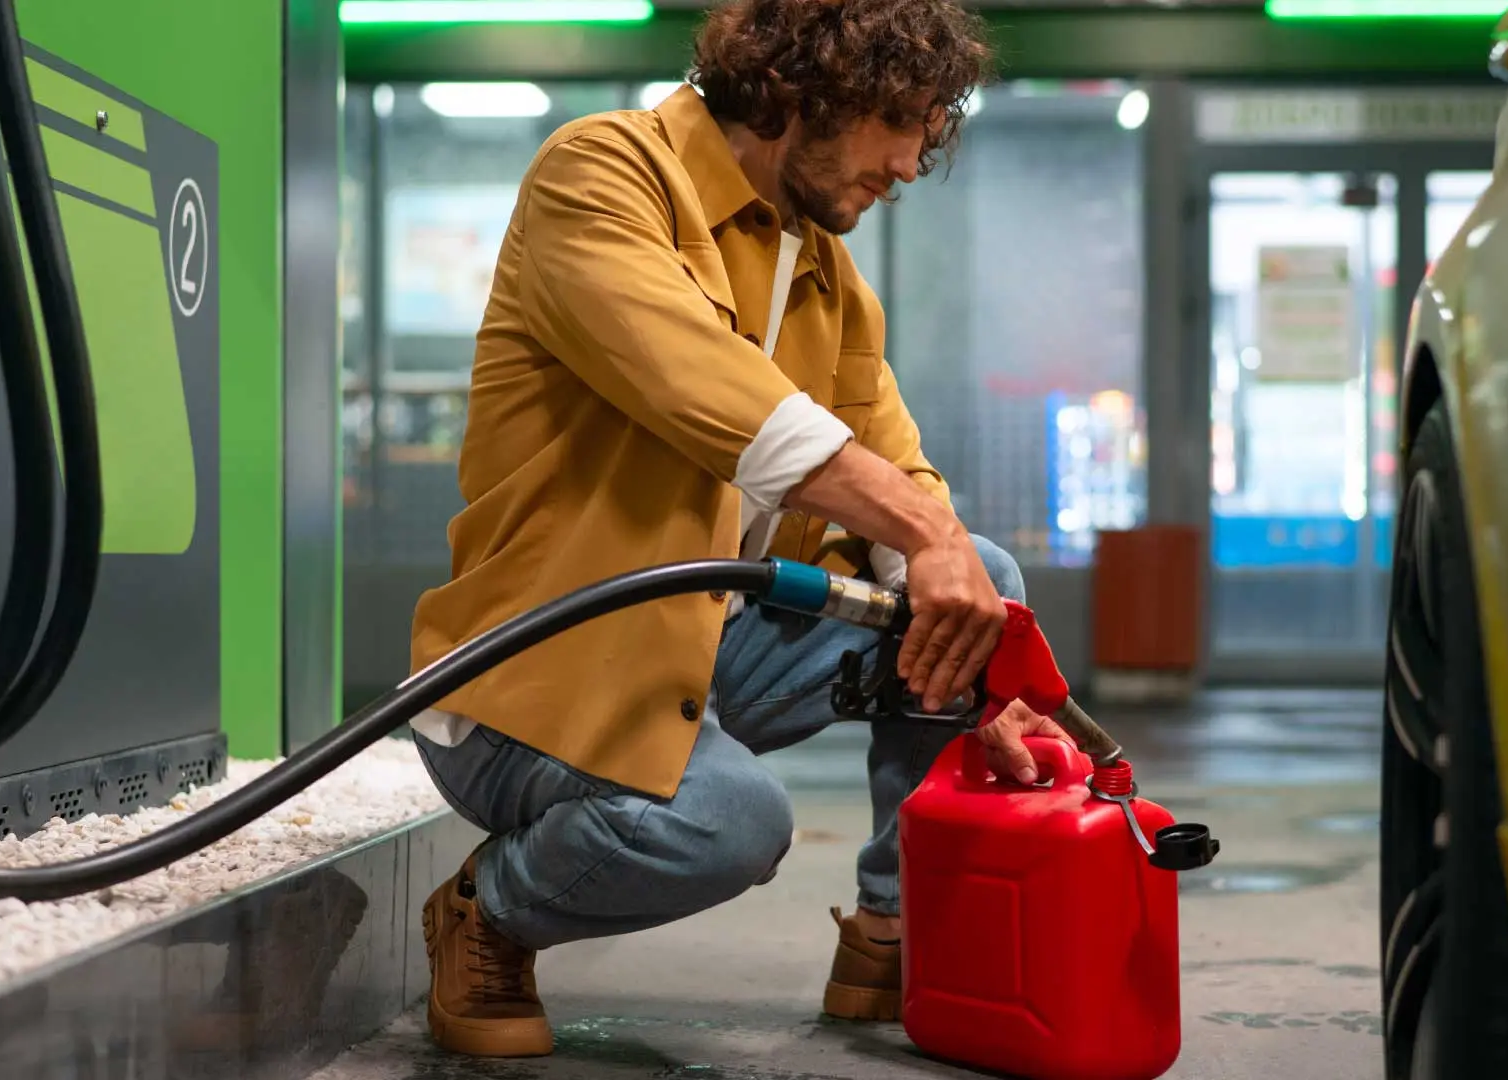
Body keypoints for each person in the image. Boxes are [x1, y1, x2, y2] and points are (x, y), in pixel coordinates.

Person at [403, 0, 1073, 1059]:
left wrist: (981, 673)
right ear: (810, 89)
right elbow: (712, 396)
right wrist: (921, 534)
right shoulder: (602, 174)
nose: (909, 165)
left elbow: (900, 471)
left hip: (706, 650)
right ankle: (489, 910)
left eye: (928, 133)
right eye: (901, 122)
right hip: (537, 675)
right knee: (731, 823)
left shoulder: (825, 279)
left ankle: (896, 931)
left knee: (975, 574)